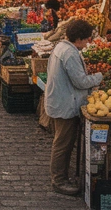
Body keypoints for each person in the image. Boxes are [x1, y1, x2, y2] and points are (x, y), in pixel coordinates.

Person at [44, 18, 104, 196]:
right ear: (79, 38)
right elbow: (80, 82)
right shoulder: (69, 53)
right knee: (63, 144)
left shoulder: (63, 48)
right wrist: (99, 77)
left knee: (63, 142)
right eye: (86, 39)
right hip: (65, 104)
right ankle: (59, 180)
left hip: (61, 101)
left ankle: (61, 177)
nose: (88, 43)